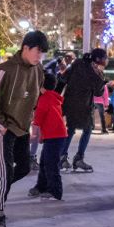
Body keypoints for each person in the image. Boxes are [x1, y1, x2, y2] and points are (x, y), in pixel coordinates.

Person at [0, 30, 47, 227]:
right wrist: (0, 126)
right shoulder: (5, 70)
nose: (40, 56)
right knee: (6, 171)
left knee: (24, 167)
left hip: (22, 128)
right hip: (4, 128)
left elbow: (36, 97)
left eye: (43, 53)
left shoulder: (38, 70)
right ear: (25, 48)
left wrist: (34, 122)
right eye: (38, 51)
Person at [61, 48, 108, 173]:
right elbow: (99, 92)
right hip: (84, 105)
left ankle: (62, 157)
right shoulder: (95, 72)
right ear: (98, 59)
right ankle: (79, 158)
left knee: (70, 129)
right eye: (105, 58)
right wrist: (101, 77)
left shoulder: (77, 64)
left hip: (70, 102)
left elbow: (64, 77)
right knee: (87, 129)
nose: (106, 60)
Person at [27, 71, 68, 201]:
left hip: (54, 136)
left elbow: (38, 120)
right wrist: (42, 137)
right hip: (56, 135)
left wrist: (34, 136)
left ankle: (55, 191)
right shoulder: (54, 96)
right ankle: (41, 187)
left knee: (51, 165)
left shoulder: (44, 100)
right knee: (45, 162)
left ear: (41, 86)